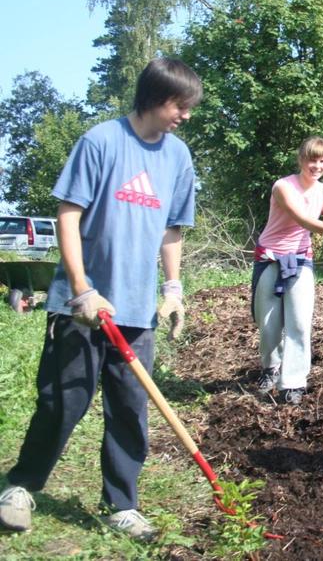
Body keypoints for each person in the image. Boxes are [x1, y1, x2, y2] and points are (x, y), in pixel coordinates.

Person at [0, 58, 203, 540]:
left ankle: (122, 504)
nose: (186, 115)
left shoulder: (178, 157)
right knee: (63, 401)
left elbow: (173, 228)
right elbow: (67, 216)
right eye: (181, 105)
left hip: (136, 307)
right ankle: (21, 487)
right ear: (156, 99)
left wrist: (173, 288)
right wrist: (82, 288)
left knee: (131, 408)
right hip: (83, 306)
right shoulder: (100, 142)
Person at [252, 136, 323, 406]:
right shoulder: (283, 186)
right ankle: (270, 368)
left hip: (301, 258)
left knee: (300, 323)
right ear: (301, 160)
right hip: (269, 256)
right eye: (312, 159)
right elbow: (302, 218)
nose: (317, 165)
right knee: (268, 325)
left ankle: (293, 383)